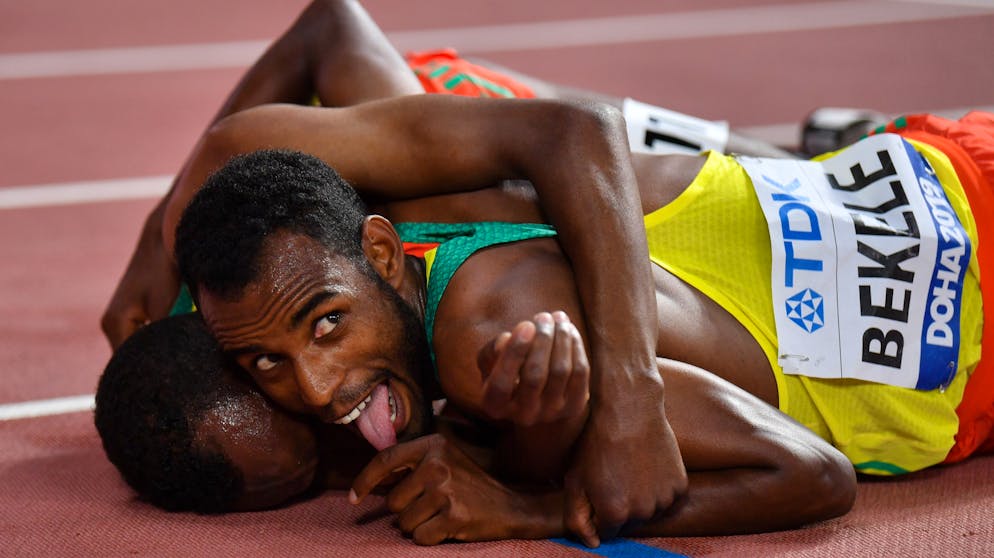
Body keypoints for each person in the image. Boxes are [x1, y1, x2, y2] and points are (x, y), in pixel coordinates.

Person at [99, 0, 799, 540]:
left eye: (319, 455)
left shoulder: (481, 324)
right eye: (321, 470)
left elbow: (574, 131)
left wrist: (622, 408)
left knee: (504, 126)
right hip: (589, 192)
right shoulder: (346, 309)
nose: (321, 399)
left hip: (541, 151)